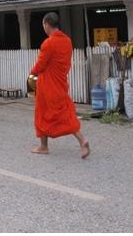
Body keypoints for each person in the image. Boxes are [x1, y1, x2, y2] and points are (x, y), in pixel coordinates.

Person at [30, 12, 91, 158]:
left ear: (46, 24)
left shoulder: (49, 43)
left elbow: (41, 65)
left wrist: (31, 73)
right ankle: (82, 140)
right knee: (65, 113)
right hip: (60, 81)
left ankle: (44, 146)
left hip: (47, 84)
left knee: (42, 113)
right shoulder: (67, 41)